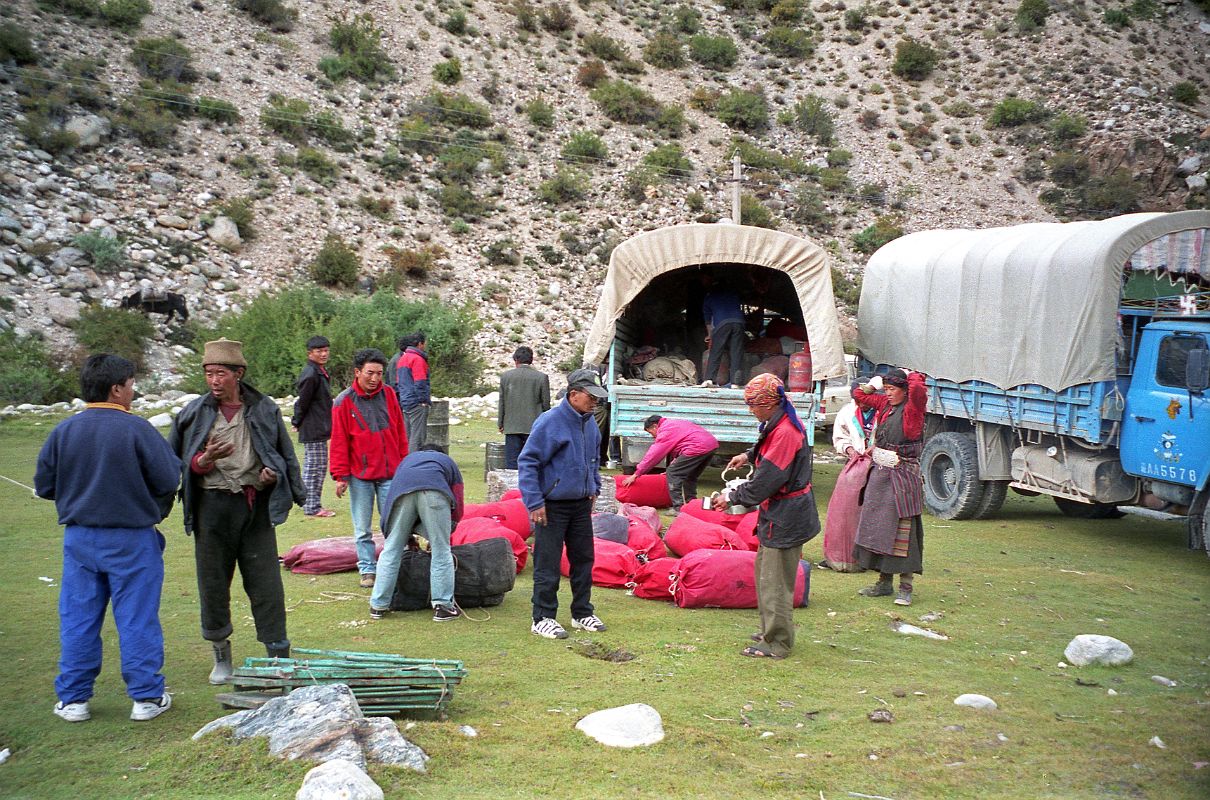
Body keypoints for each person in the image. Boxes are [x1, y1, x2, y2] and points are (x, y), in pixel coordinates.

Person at [35, 354, 181, 723]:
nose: (133, 390)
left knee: (78, 618)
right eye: (131, 384)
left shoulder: (64, 431)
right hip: (132, 539)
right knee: (137, 618)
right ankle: (146, 698)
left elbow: (44, 485)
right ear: (117, 389)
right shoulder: (139, 429)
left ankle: (73, 700)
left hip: (80, 539)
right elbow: (168, 479)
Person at [169, 338, 305, 683]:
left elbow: (282, 454)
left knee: (266, 584)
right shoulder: (194, 414)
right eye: (209, 374)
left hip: (253, 506)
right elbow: (178, 464)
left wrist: (273, 478)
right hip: (211, 509)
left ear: (238, 374)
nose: (214, 381)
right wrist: (204, 460)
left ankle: (277, 655)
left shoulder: (263, 409)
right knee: (212, 582)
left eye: (221, 374)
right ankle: (221, 656)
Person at [714, 373, 819, 659]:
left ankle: (778, 642)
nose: (750, 410)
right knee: (765, 575)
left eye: (753, 404)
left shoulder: (785, 432)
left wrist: (733, 497)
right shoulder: (778, 422)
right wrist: (748, 456)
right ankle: (769, 630)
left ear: (769, 404)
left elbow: (767, 480)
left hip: (787, 515)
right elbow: (766, 448)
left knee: (776, 582)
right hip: (779, 514)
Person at [519, 368, 609, 640]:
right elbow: (528, 462)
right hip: (551, 506)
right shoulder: (549, 422)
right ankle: (543, 617)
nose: (596, 402)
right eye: (591, 397)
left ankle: (582, 612)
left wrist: (594, 487)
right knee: (547, 562)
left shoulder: (590, 422)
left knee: (584, 559)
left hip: (581, 504)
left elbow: (594, 459)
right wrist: (534, 502)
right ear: (573, 395)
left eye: (598, 397)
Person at [330, 348, 409, 588]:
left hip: (390, 473)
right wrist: (340, 475)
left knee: (393, 524)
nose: (374, 379)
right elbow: (340, 440)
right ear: (357, 372)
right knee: (362, 527)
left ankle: (394, 566)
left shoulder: (389, 395)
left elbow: (399, 431)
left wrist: (405, 464)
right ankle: (367, 569)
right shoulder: (343, 401)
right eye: (369, 373)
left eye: (379, 374)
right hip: (360, 476)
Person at [851, 368, 927, 606]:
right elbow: (859, 395)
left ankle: (905, 587)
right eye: (888, 389)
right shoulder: (885, 403)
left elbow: (918, 389)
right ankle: (884, 583)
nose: (890, 393)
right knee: (879, 529)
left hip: (902, 478)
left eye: (894, 389)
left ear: (904, 390)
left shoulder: (913, 409)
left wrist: (909, 373)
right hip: (881, 476)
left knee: (903, 534)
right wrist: (874, 385)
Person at [368, 445, 465, 623]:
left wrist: (403, 536)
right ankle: (443, 607)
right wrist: (447, 529)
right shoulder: (447, 461)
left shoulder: (406, 462)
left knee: (391, 549)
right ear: (440, 454)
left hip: (402, 494)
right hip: (436, 492)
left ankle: (378, 605)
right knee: (441, 550)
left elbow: (389, 503)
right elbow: (457, 498)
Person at [820, 392, 879, 572]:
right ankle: (841, 556)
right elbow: (840, 437)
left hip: (879, 466)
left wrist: (876, 448)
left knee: (874, 511)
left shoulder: (883, 411)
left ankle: (874, 558)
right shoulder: (847, 412)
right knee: (846, 510)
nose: (860, 404)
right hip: (855, 465)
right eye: (857, 401)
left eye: (864, 400)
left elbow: (891, 436)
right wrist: (850, 449)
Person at [624, 415, 719, 509]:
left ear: (655, 426)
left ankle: (678, 508)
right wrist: (675, 464)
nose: (653, 436)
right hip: (711, 445)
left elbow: (653, 455)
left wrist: (636, 474)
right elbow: (681, 446)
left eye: (651, 432)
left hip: (697, 447)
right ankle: (691, 504)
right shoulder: (673, 424)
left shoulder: (665, 431)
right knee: (690, 475)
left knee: (673, 473)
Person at [293, 335, 335, 518]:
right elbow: (303, 401)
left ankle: (311, 503)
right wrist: (296, 421)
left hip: (319, 425)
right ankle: (311, 506)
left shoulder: (319, 371)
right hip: (313, 427)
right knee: (314, 468)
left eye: (326, 350)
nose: (324, 354)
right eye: (319, 351)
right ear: (310, 353)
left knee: (316, 466)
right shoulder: (311, 374)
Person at [498, 345, 551, 469]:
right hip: (534, 427)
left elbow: (502, 402)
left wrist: (501, 423)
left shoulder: (506, 377)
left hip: (511, 426)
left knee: (511, 462)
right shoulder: (541, 377)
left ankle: (512, 487)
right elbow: (546, 404)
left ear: (516, 360)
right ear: (531, 360)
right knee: (531, 461)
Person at [701, 274, 746, 387]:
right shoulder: (733, 294)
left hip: (722, 323)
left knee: (716, 351)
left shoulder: (709, 297)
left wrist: (710, 335)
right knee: (736, 352)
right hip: (739, 322)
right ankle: (735, 383)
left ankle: (709, 379)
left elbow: (707, 320)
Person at [395, 332, 431, 449]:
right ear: (420, 344)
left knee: (408, 436)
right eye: (424, 343)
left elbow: (398, 383)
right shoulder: (418, 359)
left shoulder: (402, 359)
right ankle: (415, 463)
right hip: (416, 403)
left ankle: (405, 462)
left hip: (405, 402)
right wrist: (423, 401)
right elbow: (420, 382)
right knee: (418, 438)